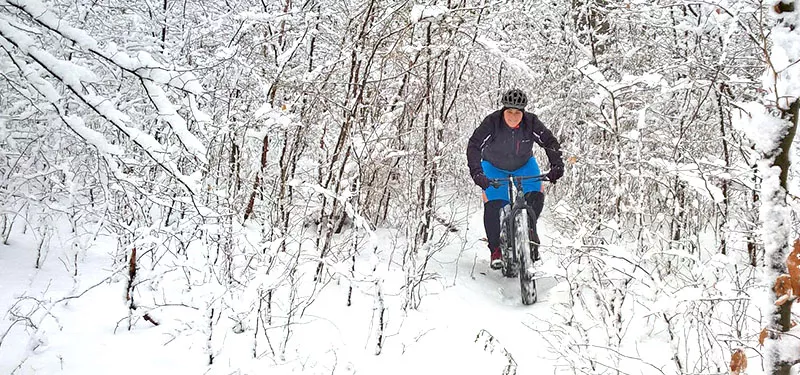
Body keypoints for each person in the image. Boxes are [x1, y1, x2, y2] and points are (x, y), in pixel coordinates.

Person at [466, 89, 564, 269]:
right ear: (503, 111)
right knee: (494, 204)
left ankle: (530, 232)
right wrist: (477, 172)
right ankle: (496, 249)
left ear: (523, 112)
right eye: (509, 111)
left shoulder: (531, 122)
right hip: (493, 165)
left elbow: (549, 142)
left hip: (524, 164)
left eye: (517, 112)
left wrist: (557, 165)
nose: (513, 116)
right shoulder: (492, 123)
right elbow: (474, 145)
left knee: (536, 194)